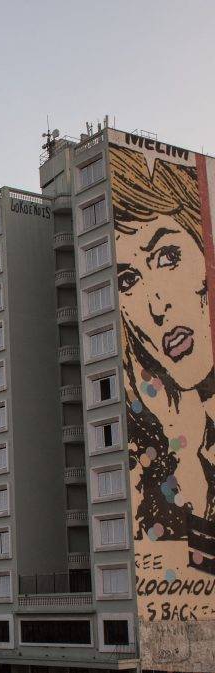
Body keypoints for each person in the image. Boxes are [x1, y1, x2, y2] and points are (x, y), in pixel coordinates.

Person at [109, 143, 215, 558]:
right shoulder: (160, 437)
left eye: (167, 256)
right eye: (128, 281)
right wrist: (181, 454)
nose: (156, 306)